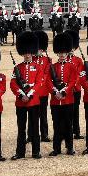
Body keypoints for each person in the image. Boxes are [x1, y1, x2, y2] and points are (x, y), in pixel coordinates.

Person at [10, 30, 42, 160]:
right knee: (21, 128)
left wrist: (30, 93)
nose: (27, 55)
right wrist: (21, 94)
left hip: (33, 101)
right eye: (25, 52)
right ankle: (20, 152)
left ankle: (36, 151)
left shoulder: (37, 66)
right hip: (21, 101)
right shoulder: (17, 67)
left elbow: (39, 82)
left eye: (29, 52)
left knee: (35, 127)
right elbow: (13, 83)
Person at [48, 32, 77, 156]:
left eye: (64, 53)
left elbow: (73, 81)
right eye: (60, 53)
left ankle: (69, 147)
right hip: (55, 100)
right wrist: (55, 92)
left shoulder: (72, 66)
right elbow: (48, 81)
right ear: (57, 53)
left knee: (68, 125)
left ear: (67, 53)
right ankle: (56, 148)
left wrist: (64, 91)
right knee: (57, 125)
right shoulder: (52, 67)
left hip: (67, 99)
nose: (62, 55)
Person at [33, 30, 52, 143]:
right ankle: (31, 135)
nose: (38, 51)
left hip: (43, 91)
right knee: (32, 115)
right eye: (37, 49)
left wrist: (39, 82)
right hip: (33, 92)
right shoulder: (31, 60)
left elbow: (47, 74)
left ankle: (44, 134)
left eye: (40, 49)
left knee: (43, 114)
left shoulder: (47, 60)